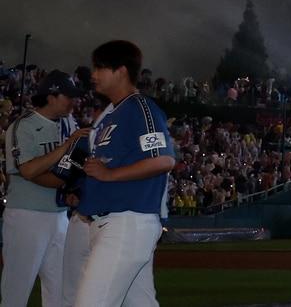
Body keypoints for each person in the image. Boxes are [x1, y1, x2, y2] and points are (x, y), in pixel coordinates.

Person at [73, 41, 176, 307]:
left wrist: (109, 175)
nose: (93, 74)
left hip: (127, 223)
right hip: (110, 223)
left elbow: (163, 160)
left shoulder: (140, 107)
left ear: (121, 71)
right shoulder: (111, 115)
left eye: (100, 67)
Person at [2, 72, 86, 307]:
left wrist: (71, 185)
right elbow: (28, 171)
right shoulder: (22, 126)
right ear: (51, 96)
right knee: (16, 292)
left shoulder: (69, 124)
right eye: (68, 96)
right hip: (26, 215)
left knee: (61, 292)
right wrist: (67, 146)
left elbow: (64, 171)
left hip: (60, 215)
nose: (73, 101)